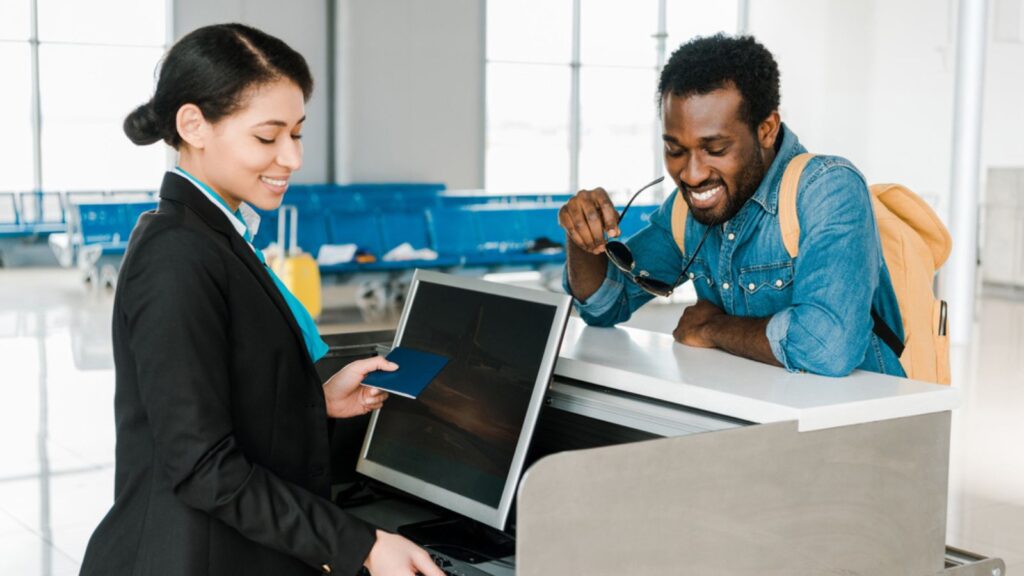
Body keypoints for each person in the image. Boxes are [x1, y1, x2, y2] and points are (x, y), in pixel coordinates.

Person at [79, 24, 443, 576]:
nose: (292, 158)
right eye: (267, 137)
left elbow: (215, 396)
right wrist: (360, 544)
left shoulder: (216, 236)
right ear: (193, 125)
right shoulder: (176, 256)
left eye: (297, 134)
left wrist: (313, 398)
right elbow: (202, 466)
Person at [558, 33, 905, 378]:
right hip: (760, 419)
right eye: (675, 150)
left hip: (856, 427)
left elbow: (828, 347)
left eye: (716, 149)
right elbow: (603, 308)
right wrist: (581, 235)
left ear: (766, 130)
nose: (691, 176)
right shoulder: (685, 211)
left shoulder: (828, 188)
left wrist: (714, 328)